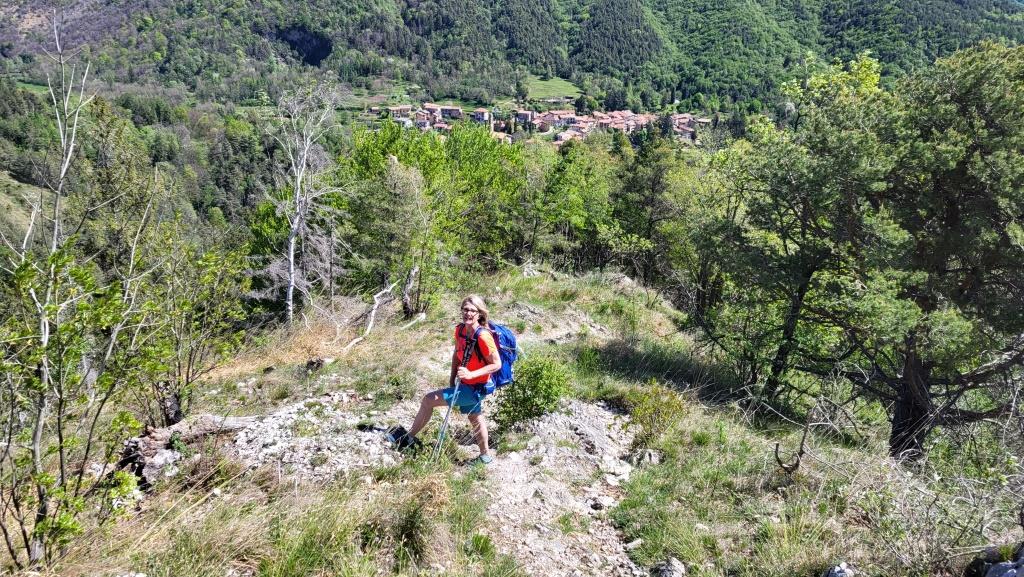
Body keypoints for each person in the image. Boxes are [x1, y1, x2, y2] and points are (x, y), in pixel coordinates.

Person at [402, 295, 502, 464]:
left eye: (472, 310)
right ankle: (485, 456)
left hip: (476, 387)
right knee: (475, 417)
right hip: (465, 384)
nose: (468, 313)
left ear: (479, 314)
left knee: (428, 400)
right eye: (465, 309)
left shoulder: (484, 336)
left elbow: (497, 364)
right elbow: (457, 355)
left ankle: (408, 438)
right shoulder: (460, 330)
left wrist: (471, 374)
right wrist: (452, 378)